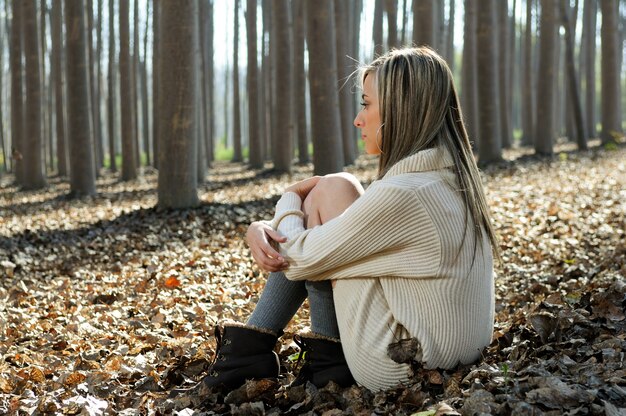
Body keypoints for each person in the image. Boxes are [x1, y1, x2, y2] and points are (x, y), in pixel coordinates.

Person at [192, 47, 499, 394]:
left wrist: (290, 197)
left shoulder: (406, 193)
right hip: (448, 356)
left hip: (400, 366)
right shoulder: (449, 179)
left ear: (401, 109)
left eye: (367, 104)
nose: (358, 118)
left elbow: (297, 261)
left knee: (331, 191)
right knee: (335, 194)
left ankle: (265, 359)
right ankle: (292, 359)